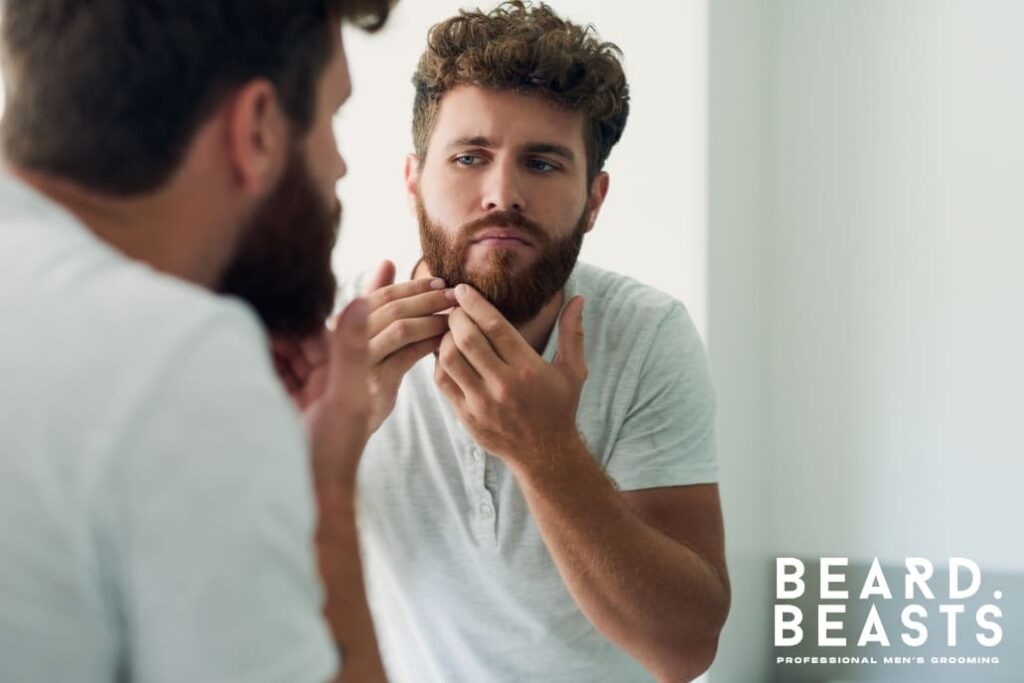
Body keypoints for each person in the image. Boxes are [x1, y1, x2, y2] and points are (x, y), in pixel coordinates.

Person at [331, 2, 731, 680]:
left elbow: (684, 650)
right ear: (413, 181)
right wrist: (333, 434)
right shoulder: (334, 331)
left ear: (594, 199)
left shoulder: (647, 334)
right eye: (469, 157)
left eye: (542, 164)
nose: (502, 194)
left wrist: (545, 450)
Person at [0, 1, 392, 681]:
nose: (340, 167)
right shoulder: (181, 360)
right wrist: (326, 493)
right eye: (333, 117)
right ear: (258, 128)